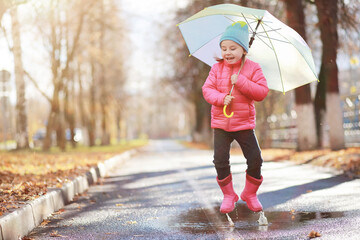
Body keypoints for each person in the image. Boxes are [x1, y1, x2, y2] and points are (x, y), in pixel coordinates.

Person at [202, 21, 269, 214]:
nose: (227, 52)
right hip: (221, 123)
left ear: (243, 50)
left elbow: (261, 92)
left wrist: (241, 81)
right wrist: (222, 98)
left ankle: (250, 193)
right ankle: (229, 195)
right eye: (224, 48)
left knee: (255, 159)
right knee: (220, 160)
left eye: (233, 48)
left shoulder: (253, 68)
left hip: (243, 123)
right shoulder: (216, 69)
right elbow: (207, 90)